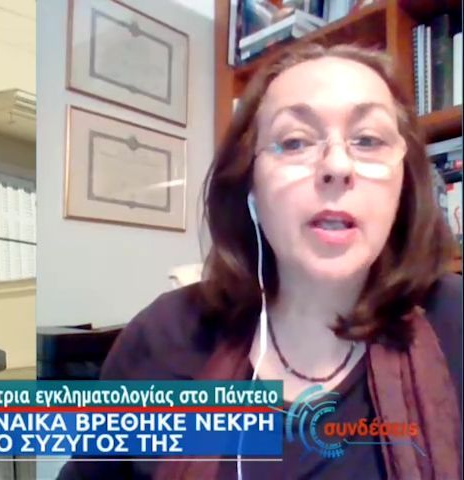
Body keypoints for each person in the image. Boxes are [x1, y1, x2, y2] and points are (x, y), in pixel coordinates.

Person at [57, 43, 462, 479]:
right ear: (249, 184)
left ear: (405, 182)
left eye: (368, 140)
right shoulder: (164, 335)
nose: (338, 165)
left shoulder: (454, 319)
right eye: (294, 141)